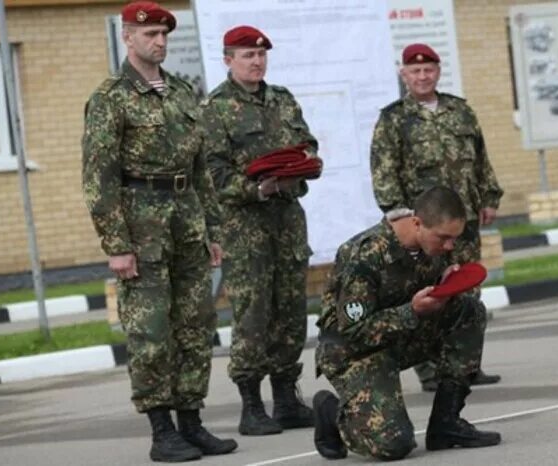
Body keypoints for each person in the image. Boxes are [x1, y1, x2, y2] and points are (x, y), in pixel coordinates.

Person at [81, 2, 236, 462]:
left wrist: (213, 228)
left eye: (165, 34)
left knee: (195, 325)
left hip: (187, 223)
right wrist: (117, 245)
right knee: (151, 332)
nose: (160, 42)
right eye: (150, 35)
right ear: (128, 38)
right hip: (141, 225)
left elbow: (201, 168)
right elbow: (98, 177)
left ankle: (191, 421)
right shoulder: (110, 97)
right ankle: (161, 429)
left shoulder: (183, 93)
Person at [313, 187, 501, 461]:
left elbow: (430, 289)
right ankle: (332, 412)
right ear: (416, 223)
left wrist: (444, 285)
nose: (450, 247)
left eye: (454, 239)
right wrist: (411, 311)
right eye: (444, 238)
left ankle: (446, 423)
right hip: (353, 352)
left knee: (469, 310)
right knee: (393, 445)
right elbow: (354, 332)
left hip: (400, 337)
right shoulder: (364, 255)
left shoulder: (434, 244)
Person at [202, 25, 320, 436]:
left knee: (291, 310)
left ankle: (286, 398)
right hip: (245, 226)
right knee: (254, 314)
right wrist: (255, 188)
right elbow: (213, 172)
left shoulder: (282, 101)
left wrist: (303, 166)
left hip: (287, 220)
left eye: (260, 55)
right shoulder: (215, 108)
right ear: (228, 60)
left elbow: (307, 144)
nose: (256, 61)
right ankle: (252, 405)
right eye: (246, 55)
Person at [370, 43, 504, 391]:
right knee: (428, 291)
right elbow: (384, 172)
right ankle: (430, 370)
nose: (422, 76)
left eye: (428, 69)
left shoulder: (460, 112)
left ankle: (466, 364)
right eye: (415, 71)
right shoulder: (393, 118)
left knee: (467, 287)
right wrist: (399, 215)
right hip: (424, 227)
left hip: (463, 221)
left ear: (438, 71)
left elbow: (480, 159)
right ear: (404, 74)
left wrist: (489, 197)